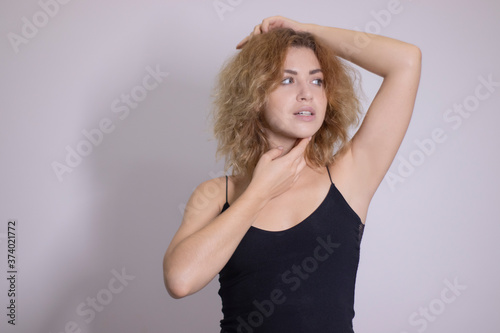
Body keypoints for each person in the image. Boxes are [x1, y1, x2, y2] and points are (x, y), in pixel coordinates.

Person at [163, 16, 421, 332]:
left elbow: (406, 60)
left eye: (317, 80)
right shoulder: (217, 194)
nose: (306, 94)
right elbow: (180, 280)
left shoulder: (349, 176)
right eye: (287, 80)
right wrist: (260, 191)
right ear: (254, 96)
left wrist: (304, 31)